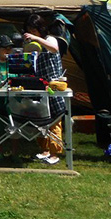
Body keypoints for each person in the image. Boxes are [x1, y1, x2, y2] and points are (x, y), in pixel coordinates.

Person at [23, 13, 65, 165]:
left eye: (34, 29)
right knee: (41, 119)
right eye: (29, 30)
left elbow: (54, 48)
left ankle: (55, 154)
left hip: (53, 85)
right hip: (40, 85)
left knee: (55, 120)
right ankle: (45, 151)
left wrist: (36, 39)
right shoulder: (35, 44)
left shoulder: (49, 39)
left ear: (40, 28)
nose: (32, 33)